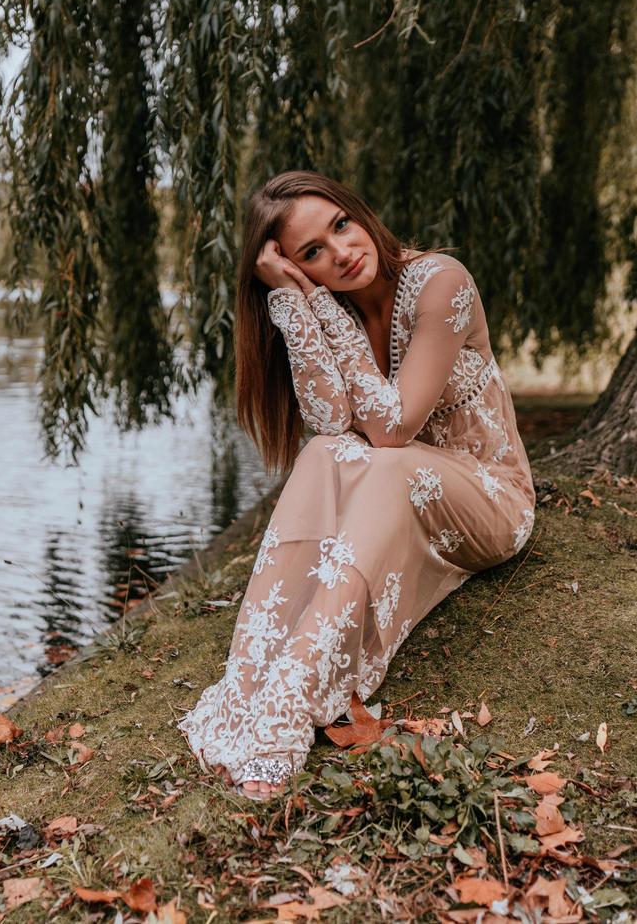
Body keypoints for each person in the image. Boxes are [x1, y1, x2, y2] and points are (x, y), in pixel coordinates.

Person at [177, 170, 536, 801]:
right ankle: (255, 672)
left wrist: (318, 306)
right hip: (402, 485)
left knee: (385, 459)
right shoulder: (330, 300)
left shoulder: (441, 283)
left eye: (340, 225)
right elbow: (332, 422)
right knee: (322, 453)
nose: (341, 252)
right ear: (291, 265)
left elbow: (392, 429)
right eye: (311, 252)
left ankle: (293, 694)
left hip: (490, 496)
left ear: (358, 211)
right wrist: (296, 304)